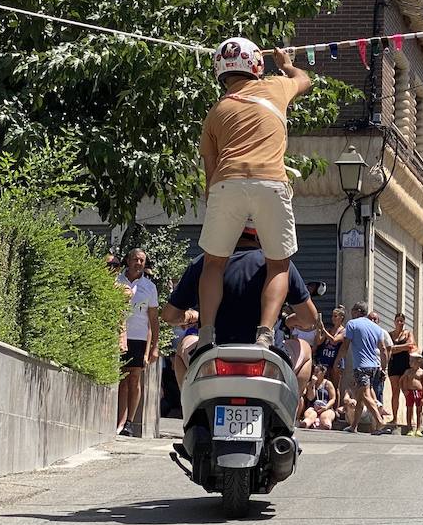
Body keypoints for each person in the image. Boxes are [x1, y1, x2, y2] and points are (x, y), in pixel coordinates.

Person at [195, 38, 311, 352]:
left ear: (220, 70)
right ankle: (265, 333)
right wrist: (286, 64)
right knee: (278, 265)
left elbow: (210, 174)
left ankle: (206, 334)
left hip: (226, 181)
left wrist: (219, 203)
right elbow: (304, 80)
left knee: (213, 264)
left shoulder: (216, 111)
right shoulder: (275, 87)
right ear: (256, 65)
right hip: (271, 182)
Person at [161, 229, 320, 390]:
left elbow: (169, 315)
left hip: (213, 354)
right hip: (267, 356)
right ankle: (289, 410)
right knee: (305, 349)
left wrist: (189, 316)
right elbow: (310, 320)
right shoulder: (279, 266)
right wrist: (292, 320)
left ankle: (192, 407)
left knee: (183, 345)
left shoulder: (204, 263)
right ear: (259, 233)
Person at [115, 248, 159, 437]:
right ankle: (119, 421)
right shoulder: (116, 281)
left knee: (134, 379)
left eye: (142, 260)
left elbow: (154, 320)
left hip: (139, 338)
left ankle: (129, 423)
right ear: (128, 260)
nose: (138, 263)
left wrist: (154, 347)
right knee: (121, 380)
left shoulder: (149, 287)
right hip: (119, 337)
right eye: (135, 259)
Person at [334, 303, 393, 434]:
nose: (351, 313)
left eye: (352, 310)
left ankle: (380, 421)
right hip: (374, 367)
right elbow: (383, 349)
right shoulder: (376, 328)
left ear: (358, 311)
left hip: (361, 366)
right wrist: (384, 368)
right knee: (360, 396)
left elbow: (345, 345)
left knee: (365, 395)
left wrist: (337, 360)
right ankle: (354, 426)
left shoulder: (352, 324)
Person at [386, 313, 417, 433]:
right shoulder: (390, 334)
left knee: (407, 391)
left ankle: (411, 418)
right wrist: (399, 348)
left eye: (402, 321)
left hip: (405, 365)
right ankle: (394, 417)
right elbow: (388, 349)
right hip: (394, 365)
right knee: (395, 391)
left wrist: (395, 349)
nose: (400, 323)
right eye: (398, 321)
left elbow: (410, 345)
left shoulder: (408, 333)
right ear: (394, 322)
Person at [300, 365, 337, 429]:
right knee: (311, 415)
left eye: (317, 372)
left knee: (325, 417)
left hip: (326, 407)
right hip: (313, 408)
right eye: (314, 372)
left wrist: (326, 407)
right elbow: (310, 398)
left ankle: (325, 424)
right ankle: (306, 423)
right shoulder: (310, 384)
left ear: (323, 373)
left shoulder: (328, 383)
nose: (315, 374)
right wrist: (312, 385)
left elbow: (333, 398)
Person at [402, 353, 423, 436]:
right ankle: (409, 428)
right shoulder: (407, 372)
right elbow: (401, 381)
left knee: (419, 411)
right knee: (409, 410)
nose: (410, 362)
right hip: (409, 392)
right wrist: (404, 390)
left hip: (419, 392)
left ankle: (418, 428)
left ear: (418, 362)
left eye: (412, 361)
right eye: (410, 360)